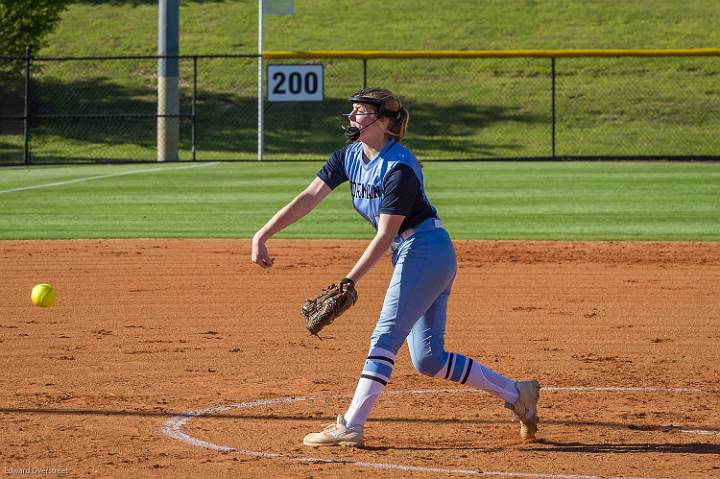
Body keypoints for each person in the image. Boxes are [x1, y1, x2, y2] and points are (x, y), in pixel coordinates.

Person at [251, 87, 540, 448]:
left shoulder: (399, 167)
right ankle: (517, 393)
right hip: (417, 252)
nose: (353, 117)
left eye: (361, 112)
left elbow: (387, 233)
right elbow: (309, 197)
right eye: (353, 110)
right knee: (428, 359)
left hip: (425, 249)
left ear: (385, 122)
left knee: (385, 337)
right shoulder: (349, 156)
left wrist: (348, 282)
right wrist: (264, 233)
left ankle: (351, 425)